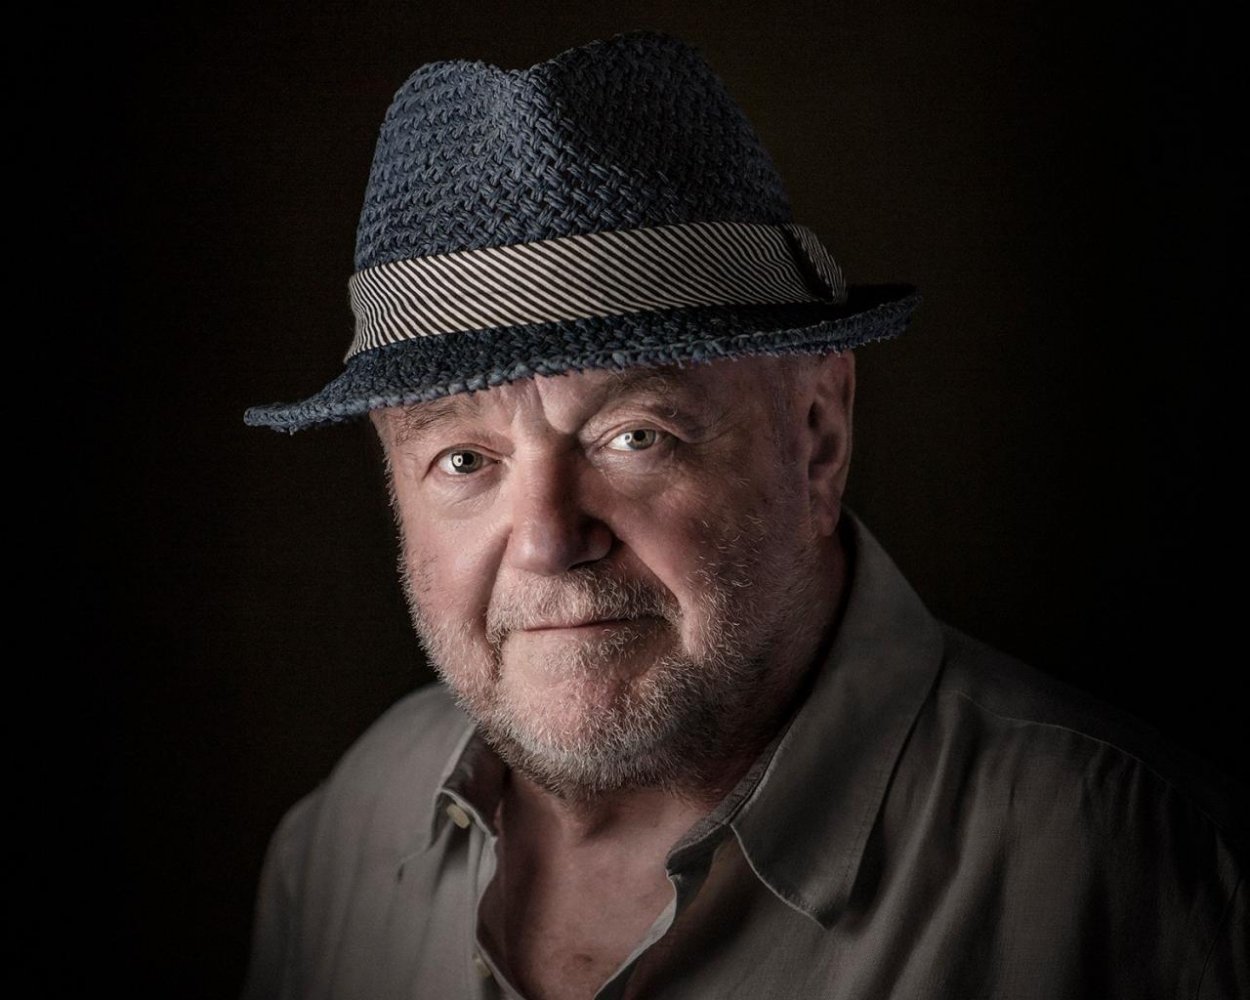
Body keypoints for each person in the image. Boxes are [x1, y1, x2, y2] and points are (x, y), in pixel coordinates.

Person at [241, 30, 1245, 1000]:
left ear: (817, 436)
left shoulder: (1129, 870)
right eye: (463, 460)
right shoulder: (345, 833)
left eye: (635, 436)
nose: (548, 542)